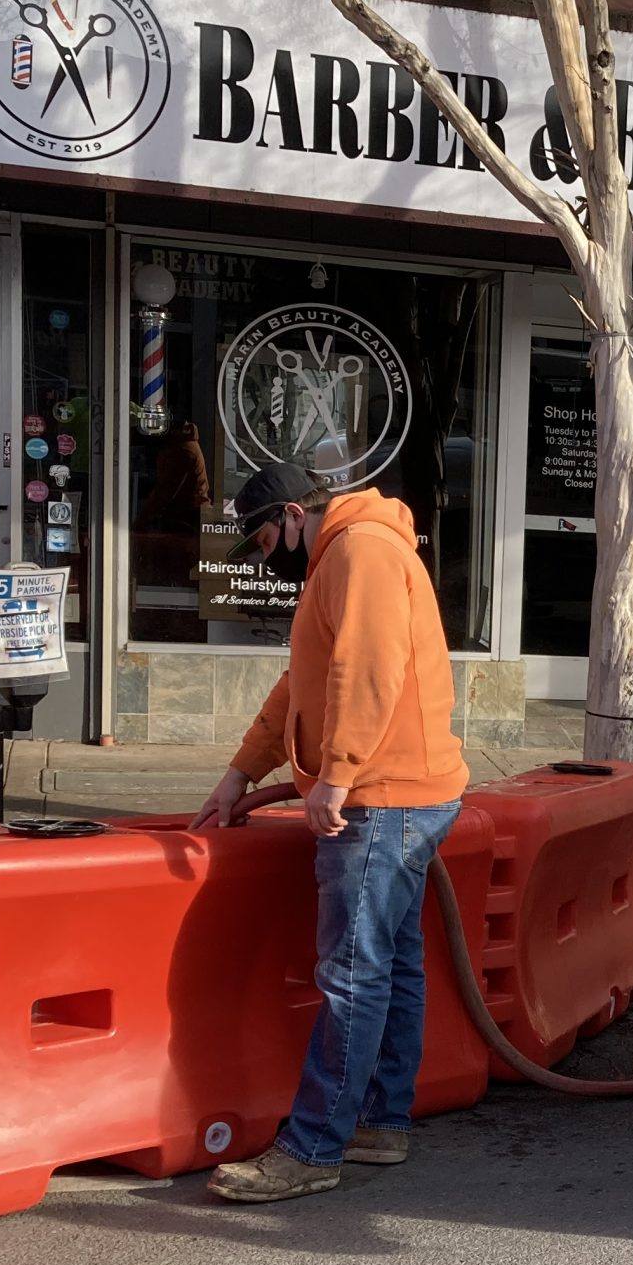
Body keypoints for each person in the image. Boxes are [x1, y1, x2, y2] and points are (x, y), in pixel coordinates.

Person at [191, 460, 469, 1203]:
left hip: (380, 799)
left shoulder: (360, 551)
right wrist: (240, 774)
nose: (269, 555)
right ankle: (382, 1121)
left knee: (353, 975)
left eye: (266, 537)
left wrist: (338, 775)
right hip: (399, 793)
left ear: (292, 512)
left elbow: (368, 669)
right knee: (389, 965)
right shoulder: (343, 557)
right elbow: (303, 683)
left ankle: (313, 1147)